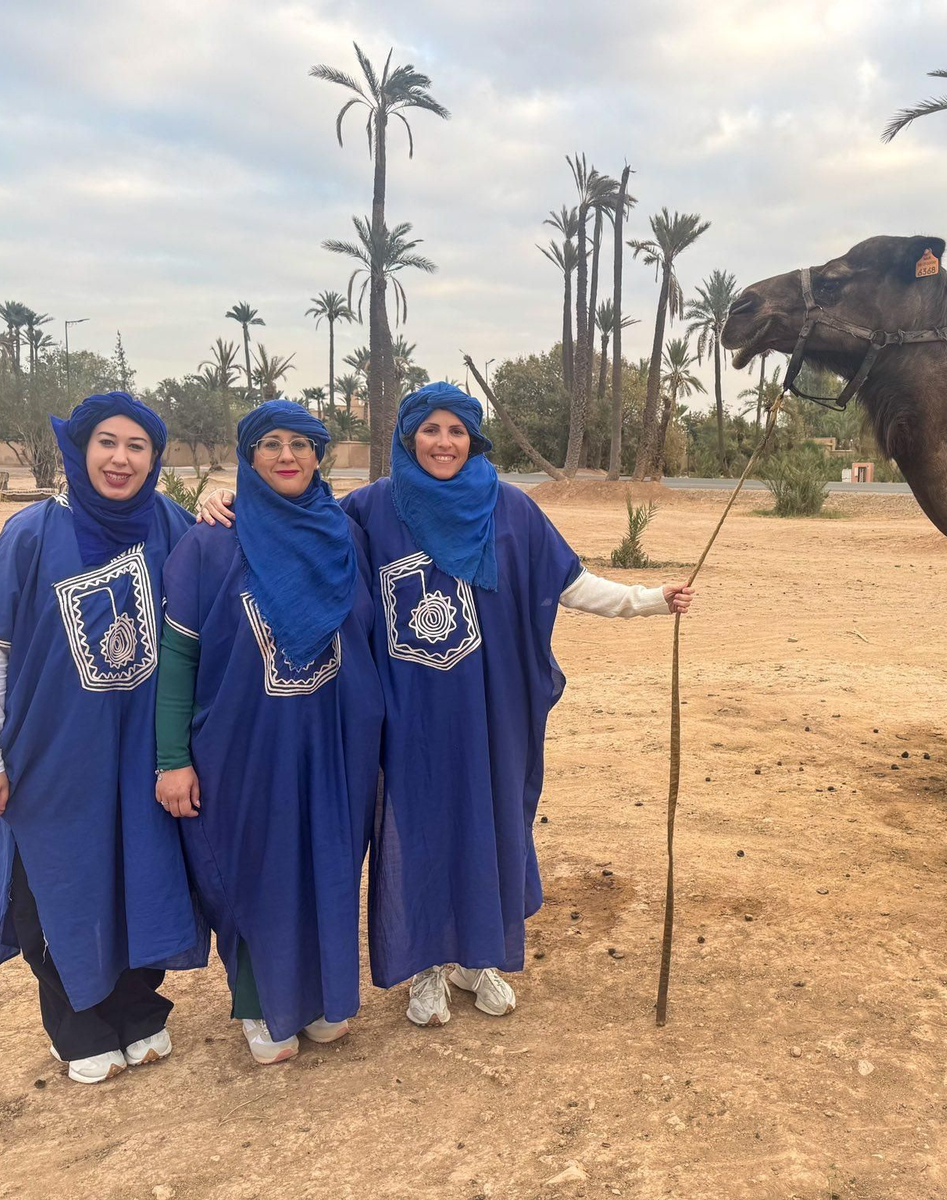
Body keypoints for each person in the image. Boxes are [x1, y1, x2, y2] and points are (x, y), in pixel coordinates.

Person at [199, 382, 693, 1027]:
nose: (443, 443)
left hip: (490, 712)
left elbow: (570, 584)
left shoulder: (510, 509)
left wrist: (650, 599)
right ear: (409, 438)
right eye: (429, 430)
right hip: (410, 715)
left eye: (456, 430)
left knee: (489, 824)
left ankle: (477, 958)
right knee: (419, 829)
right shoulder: (373, 508)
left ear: (473, 439)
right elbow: (301, 523)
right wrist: (233, 498)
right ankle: (426, 968)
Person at [0, 391, 201, 1084]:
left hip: (140, 752)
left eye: (137, 447)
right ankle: (78, 1024)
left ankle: (138, 1009)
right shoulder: (31, 534)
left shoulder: (171, 524)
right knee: (60, 882)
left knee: (141, 875)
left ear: (155, 458)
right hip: (52, 755)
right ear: (80, 450)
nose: (121, 459)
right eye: (106, 443)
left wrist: (224, 507)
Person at [155, 400, 383, 1065]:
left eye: (301, 444)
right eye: (270, 443)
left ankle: (318, 998)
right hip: (242, 749)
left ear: (319, 456)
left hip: (334, 745)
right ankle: (259, 1005)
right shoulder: (210, 543)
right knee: (255, 867)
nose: (287, 456)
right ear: (248, 456)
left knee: (326, 865)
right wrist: (172, 758)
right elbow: (180, 656)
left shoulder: (346, 534)